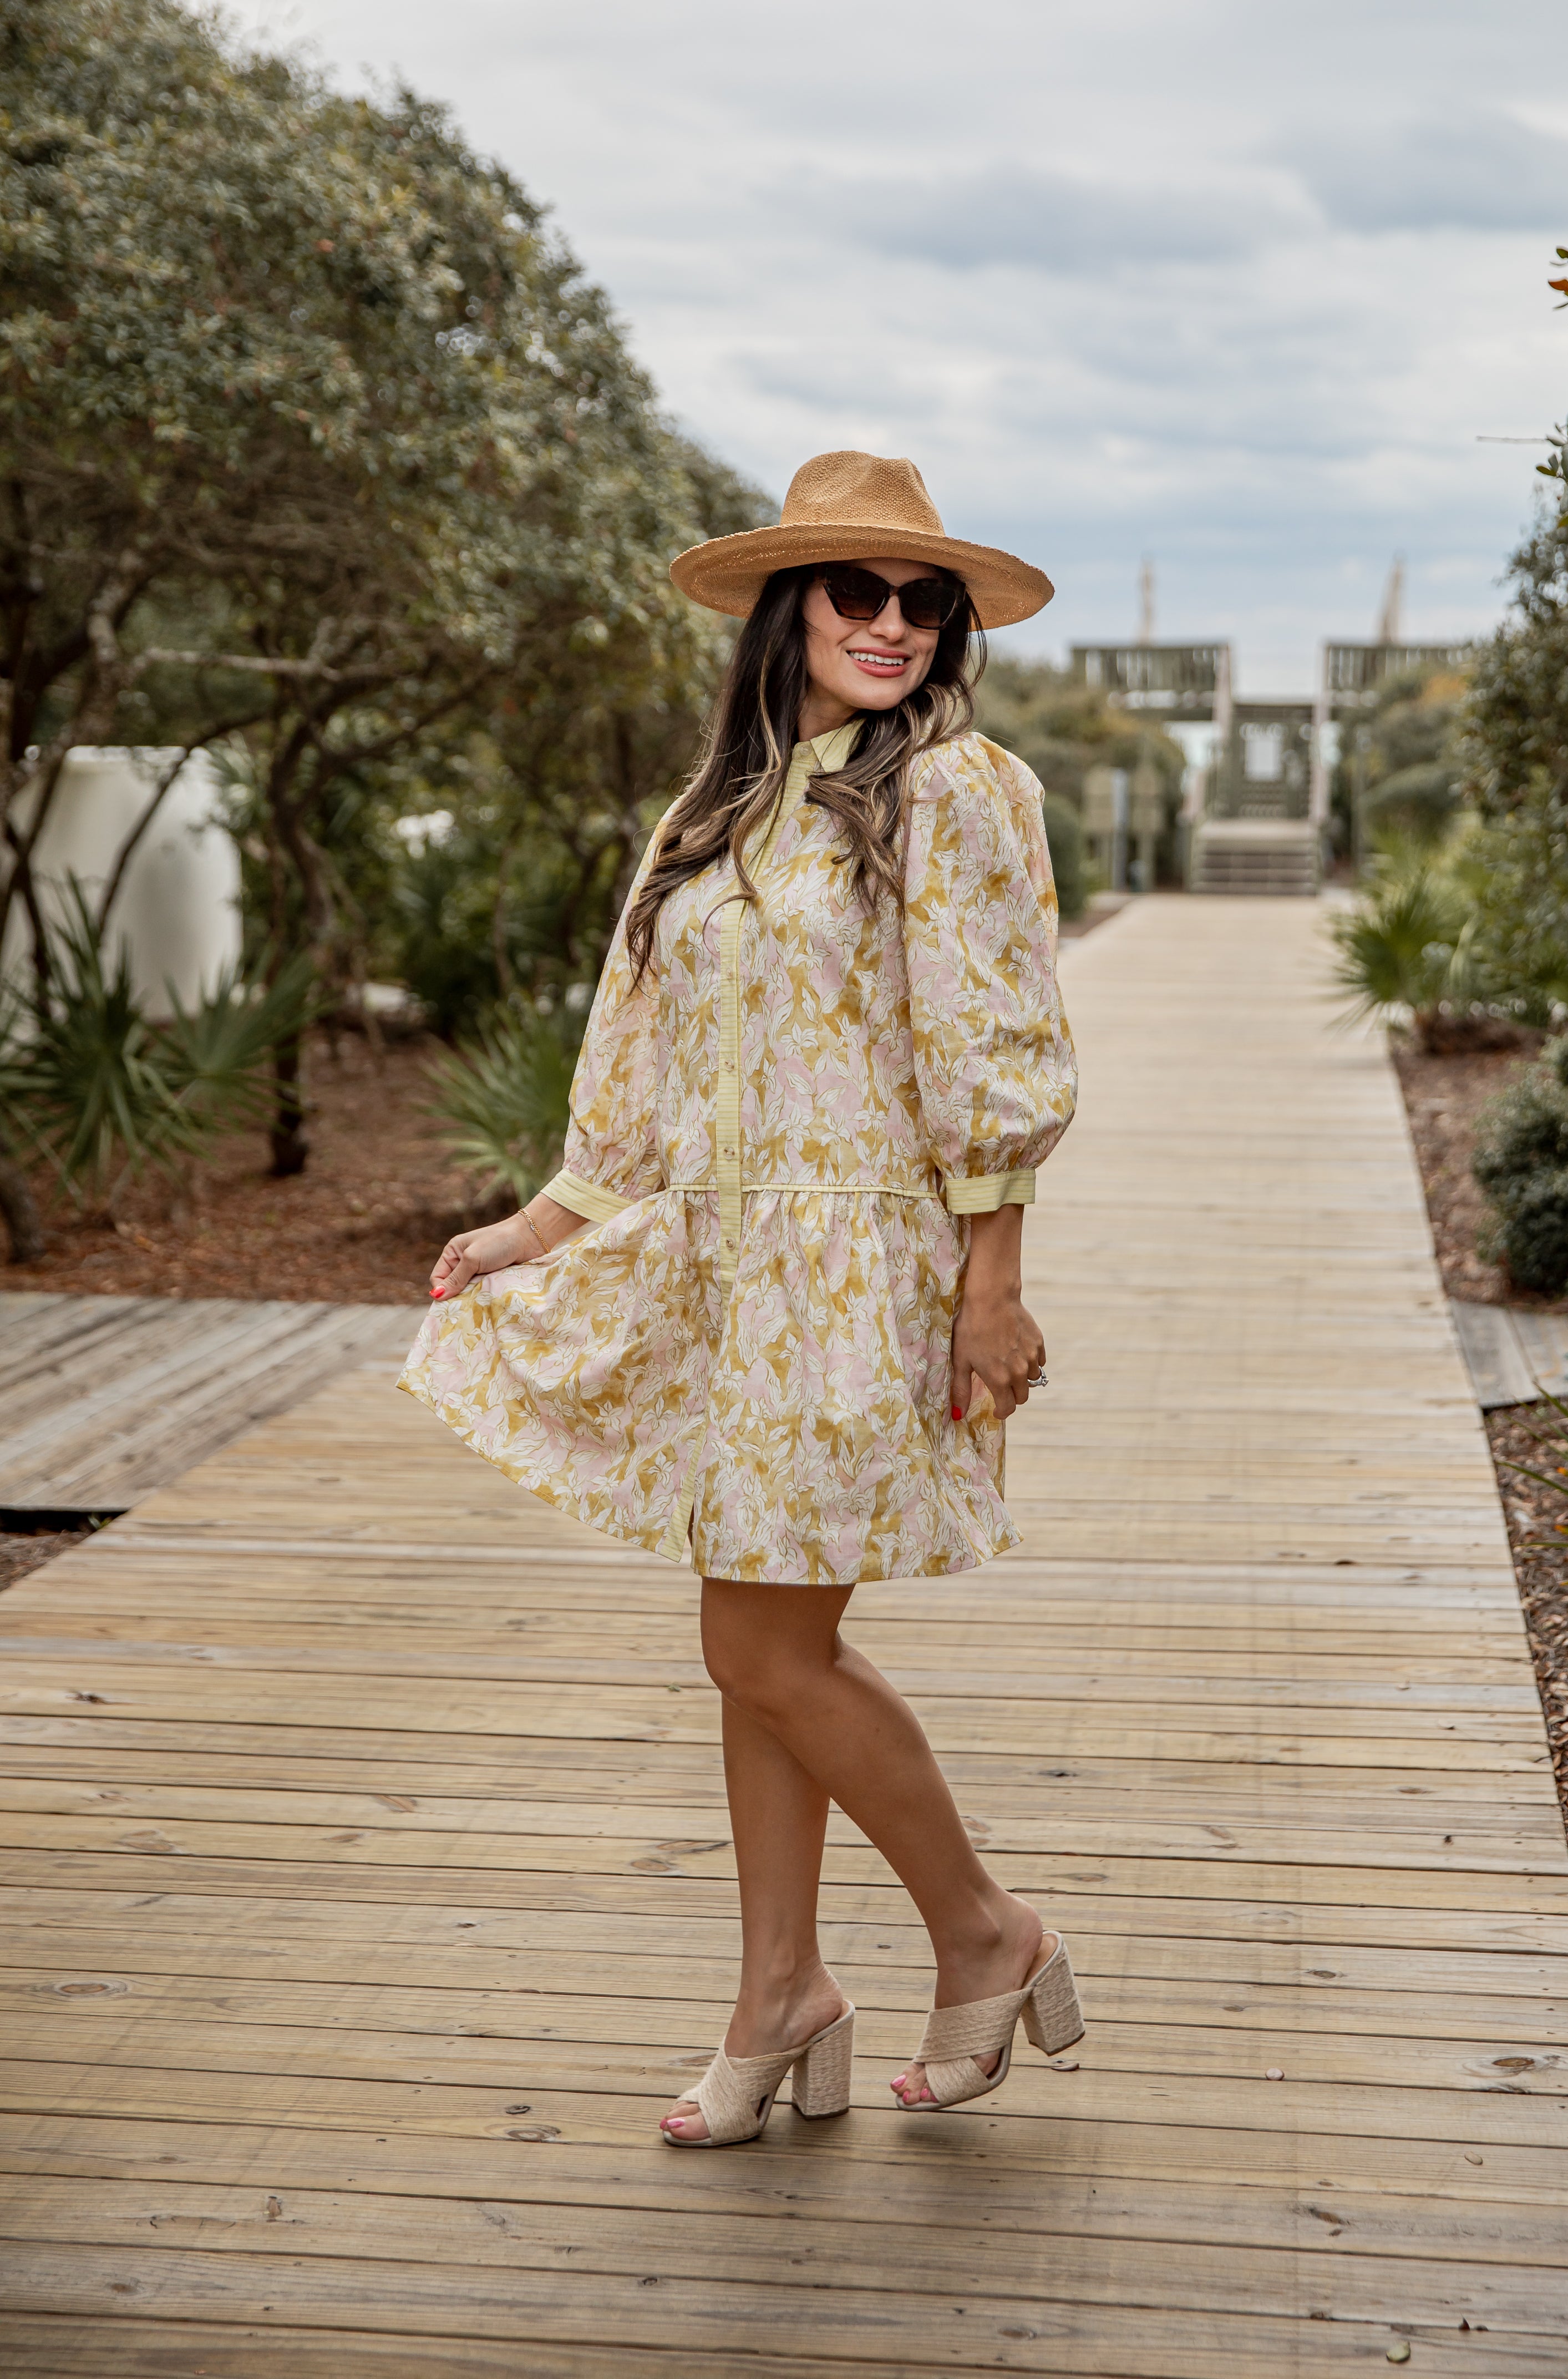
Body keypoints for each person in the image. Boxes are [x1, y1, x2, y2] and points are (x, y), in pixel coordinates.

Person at [405, 449, 1082, 2145]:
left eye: (924, 601)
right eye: (857, 592)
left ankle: (982, 1929)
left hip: (859, 1274)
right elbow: (634, 1080)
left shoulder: (959, 790)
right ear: (787, 610)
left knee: (759, 1640)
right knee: (762, 1651)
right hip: (725, 1274)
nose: (893, 623)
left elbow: (987, 1049)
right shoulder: (708, 814)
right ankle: (779, 1992)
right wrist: (531, 1230)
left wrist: (991, 1281)